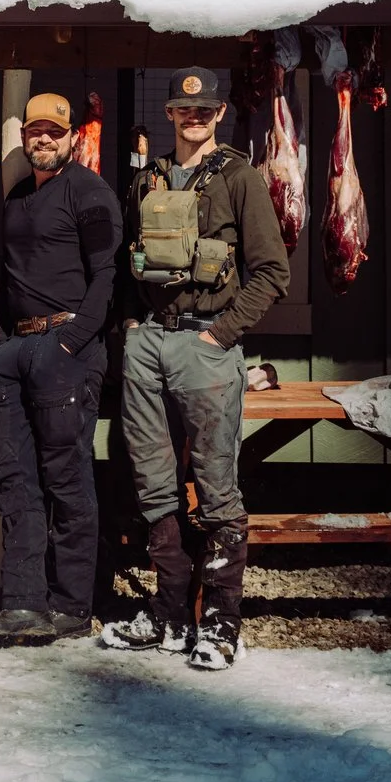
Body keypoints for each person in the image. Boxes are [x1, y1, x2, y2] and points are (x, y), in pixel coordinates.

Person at [104, 67, 289, 671]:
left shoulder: (240, 178)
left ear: (221, 114)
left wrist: (220, 334)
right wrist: (132, 324)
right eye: (185, 111)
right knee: (153, 480)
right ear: (170, 115)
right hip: (148, 344)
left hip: (204, 346)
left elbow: (271, 273)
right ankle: (169, 614)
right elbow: (129, 261)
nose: (194, 119)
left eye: (205, 111)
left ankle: (220, 622)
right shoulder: (149, 179)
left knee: (216, 483)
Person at [0, 92, 121, 646]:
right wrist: (4, 343)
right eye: (35, 131)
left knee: (66, 479)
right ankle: (22, 602)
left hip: (66, 349)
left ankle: (71, 605)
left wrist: (74, 340)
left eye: (54, 132)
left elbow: (107, 275)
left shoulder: (90, 193)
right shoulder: (16, 196)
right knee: (13, 477)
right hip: (15, 350)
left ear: (71, 137)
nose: (44, 139)